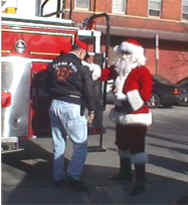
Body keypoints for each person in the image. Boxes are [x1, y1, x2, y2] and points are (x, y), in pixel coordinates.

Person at [99, 39, 152, 196]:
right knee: (122, 144)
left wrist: (128, 98)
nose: (124, 56)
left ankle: (140, 181)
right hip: (121, 113)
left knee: (137, 148)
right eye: (122, 53)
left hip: (136, 115)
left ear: (135, 55)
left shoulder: (142, 71)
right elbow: (104, 74)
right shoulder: (118, 68)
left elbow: (146, 93)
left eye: (128, 53)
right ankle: (125, 173)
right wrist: (89, 69)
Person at [47, 39, 96, 191]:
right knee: (80, 145)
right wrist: (92, 109)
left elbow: (46, 82)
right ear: (81, 52)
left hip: (54, 104)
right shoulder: (81, 67)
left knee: (58, 143)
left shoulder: (54, 62)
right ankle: (74, 177)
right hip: (72, 106)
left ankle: (57, 177)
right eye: (84, 54)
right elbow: (88, 89)